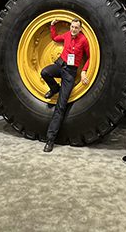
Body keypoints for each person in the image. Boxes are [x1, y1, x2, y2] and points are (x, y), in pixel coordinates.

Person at [41, 18, 90, 152]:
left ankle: (50, 140)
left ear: (80, 29)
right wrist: (52, 26)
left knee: (61, 106)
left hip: (70, 72)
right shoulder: (67, 35)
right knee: (45, 72)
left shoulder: (84, 40)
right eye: (72, 27)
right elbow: (55, 38)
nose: (73, 29)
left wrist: (84, 71)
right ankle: (54, 88)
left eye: (76, 28)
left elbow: (90, 57)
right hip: (59, 64)